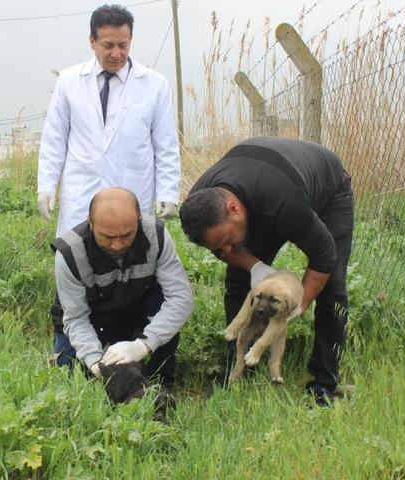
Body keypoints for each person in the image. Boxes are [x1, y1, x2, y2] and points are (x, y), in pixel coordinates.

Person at [178, 137, 354, 405]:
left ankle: (324, 384)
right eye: (218, 248)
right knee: (240, 282)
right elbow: (224, 248)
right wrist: (254, 267)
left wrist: (300, 303)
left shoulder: (284, 202)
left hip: (328, 191)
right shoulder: (202, 206)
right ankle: (237, 369)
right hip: (261, 191)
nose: (226, 252)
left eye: (227, 241)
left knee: (332, 286)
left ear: (233, 209)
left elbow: (324, 254)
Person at [36, 3, 181, 237]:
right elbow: (55, 139)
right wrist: (46, 185)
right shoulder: (69, 81)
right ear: (92, 41)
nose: (117, 53)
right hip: (81, 194)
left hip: (132, 192)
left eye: (123, 45)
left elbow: (166, 146)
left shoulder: (155, 85)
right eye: (108, 45)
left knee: (131, 261)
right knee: (75, 259)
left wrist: (168, 192)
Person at [52, 187, 193, 389]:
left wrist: (144, 344)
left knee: (155, 382)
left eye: (127, 235)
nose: (117, 245)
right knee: (70, 380)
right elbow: (75, 318)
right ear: (90, 224)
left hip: (137, 310)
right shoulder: (69, 253)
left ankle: (160, 381)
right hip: (91, 317)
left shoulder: (157, 236)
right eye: (108, 237)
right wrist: (94, 362)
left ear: (139, 220)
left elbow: (181, 298)